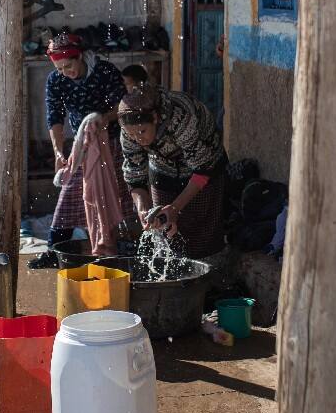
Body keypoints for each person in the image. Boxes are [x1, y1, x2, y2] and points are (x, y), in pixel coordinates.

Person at [29, 33, 132, 268]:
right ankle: (55, 251)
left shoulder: (104, 71)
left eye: (69, 65)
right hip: (82, 145)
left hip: (113, 142)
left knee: (115, 196)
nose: (67, 72)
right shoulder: (56, 80)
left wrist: (103, 119)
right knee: (70, 194)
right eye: (61, 68)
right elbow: (55, 117)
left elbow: (122, 104)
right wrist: (58, 152)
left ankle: (120, 247)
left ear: (80, 57)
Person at [118, 83, 229, 266]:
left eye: (142, 131)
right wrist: (142, 208)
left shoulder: (180, 116)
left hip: (204, 165)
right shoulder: (128, 132)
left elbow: (203, 169)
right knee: (165, 232)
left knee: (200, 232)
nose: (139, 139)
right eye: (132, 135)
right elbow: (134, 175)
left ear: (154, 118)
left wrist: (175, 208)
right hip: (163, 167)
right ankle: (173, 276)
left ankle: (206, 279)